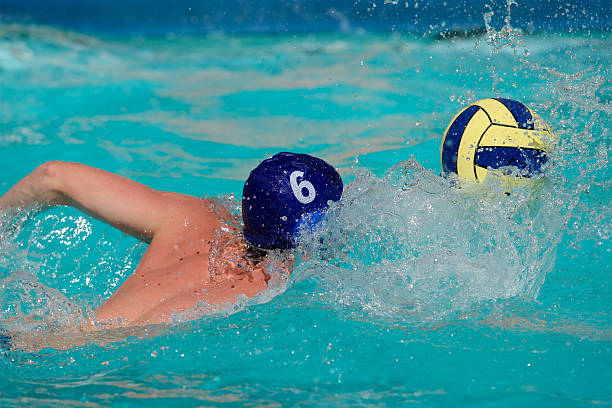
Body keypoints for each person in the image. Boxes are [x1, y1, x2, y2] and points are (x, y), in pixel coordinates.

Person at [0, 152, 343, 334]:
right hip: (37, 350)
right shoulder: (259, 286)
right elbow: (105, 339)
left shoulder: (193, 215)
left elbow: (53, 177)